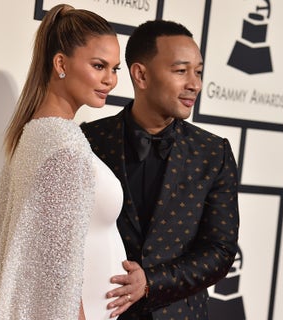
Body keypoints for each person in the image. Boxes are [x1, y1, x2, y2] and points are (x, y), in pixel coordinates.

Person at [0, 4, 134, 319]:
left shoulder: (38, 134)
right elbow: (53, 270)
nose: (110, 80)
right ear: (60, 63)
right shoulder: (63, 148)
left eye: (115, 68)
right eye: (99, 66)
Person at [80, 20, 240, 319]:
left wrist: (152, 282)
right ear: (141, 74)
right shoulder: (90, 141)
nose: (195, 84)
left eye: (199, 72)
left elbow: (220, 250)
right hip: (102, 311)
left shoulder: (212, 154)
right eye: (181, 71)